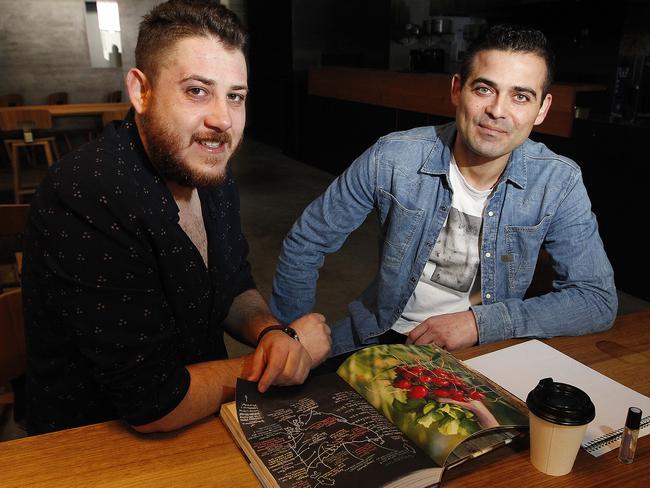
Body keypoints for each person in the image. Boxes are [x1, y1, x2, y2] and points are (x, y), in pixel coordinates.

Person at [22, 0, 331, 436]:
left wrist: (272, 334)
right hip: (94, 446)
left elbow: (233, 286)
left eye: (235, 96)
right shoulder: (89, 193)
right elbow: (152, 402)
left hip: (203, 417)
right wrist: (277, 362)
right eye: (197, 91)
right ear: (141, 91)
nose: (222, 120)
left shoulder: (211, 174)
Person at [270, 24, 617, 359]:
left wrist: (478, 324)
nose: (497, 110)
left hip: (486, 349)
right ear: (457, 90)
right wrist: (291, 338)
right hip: (383, 336)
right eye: (484, 89)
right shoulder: (394, 157)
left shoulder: (558, 181)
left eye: (520, 96)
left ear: (542, 109)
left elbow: (596, 299)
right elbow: (308, 239)